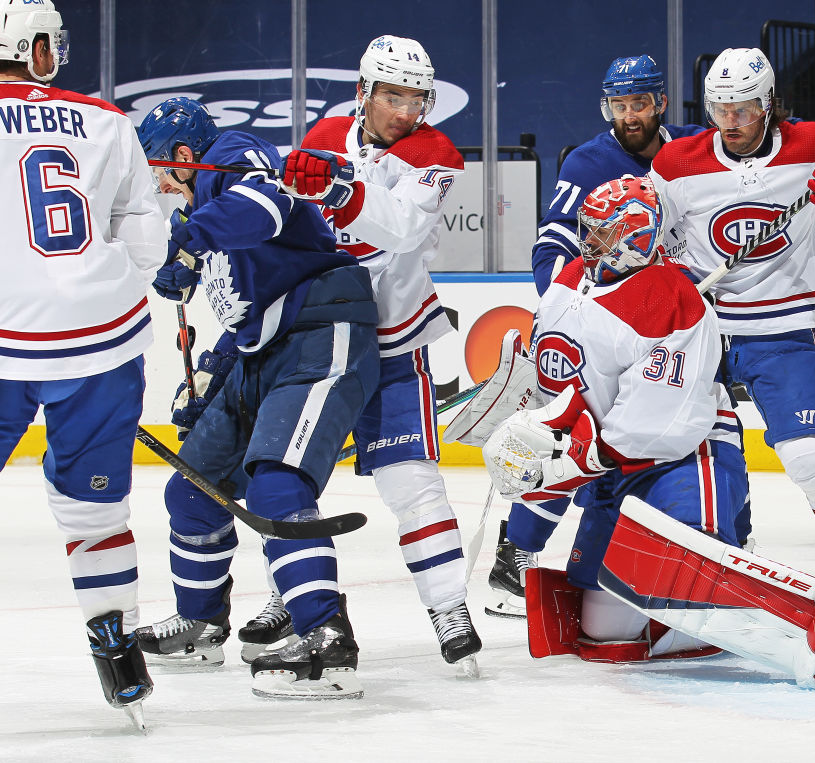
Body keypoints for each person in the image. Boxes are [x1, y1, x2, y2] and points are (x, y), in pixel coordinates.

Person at [480, 175, 815, 689]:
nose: (588, 242)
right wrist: (535, 417)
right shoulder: (573, 276)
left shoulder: (672, 303)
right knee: (603, 631)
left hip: (683, 458)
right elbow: (563, 372)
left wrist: (571, 462)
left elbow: (661, 424)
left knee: (689, 575)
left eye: (602, 234)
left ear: (635, 240)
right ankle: (712, 617)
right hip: (613, 461)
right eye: (588, 231)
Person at [453, 55, 724, 619]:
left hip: (674, 314)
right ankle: (516, 557)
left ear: (660, 103)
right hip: (604, 316)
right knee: (569, 436)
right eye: (619, 105)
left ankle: (710, 535)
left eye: (639, 104)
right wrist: (571, 310)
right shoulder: (588, 161)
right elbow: (554, 240)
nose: (630, 115)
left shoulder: (689, 153)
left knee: (654, 436)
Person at [133, 97, 381, 700]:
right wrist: (212, 379)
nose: (160, 182)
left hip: (323, 330)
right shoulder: (200, 215)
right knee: (191, 488)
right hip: (263, 354)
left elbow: (265, 206)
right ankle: (200, 623)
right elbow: (246, 319)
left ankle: (325, 637)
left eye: (162, 168)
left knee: (277, 484)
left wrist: (192, 240)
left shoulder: (231, 157)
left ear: (186, 157)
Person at [649, 48, 815, 625]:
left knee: (812, 457)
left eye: (742, 109)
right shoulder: (678, 160)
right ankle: (732, 563)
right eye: (719, 109)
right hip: (701, 333)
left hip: (783, 334)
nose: (730, 121)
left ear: (767, 105)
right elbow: (645, 229)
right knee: (699, 459)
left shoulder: (814, 142)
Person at [270, 34, 482, 673]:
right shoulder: (327, 131)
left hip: (392, 341)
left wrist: (335, 191)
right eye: (392, 96)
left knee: (411, 483)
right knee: (283, 478)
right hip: (316, 341)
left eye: (416, 99)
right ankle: (293, 598)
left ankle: (450, 610)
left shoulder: (435, 152)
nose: (405, 111)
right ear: (364, 92)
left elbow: (403, 226)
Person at [0, 0, 164, 729]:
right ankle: (117, 646)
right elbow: (147, 241)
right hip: (101, 341)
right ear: (31, 46)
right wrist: (101, 295)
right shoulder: (106, 119)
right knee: (96, 510)